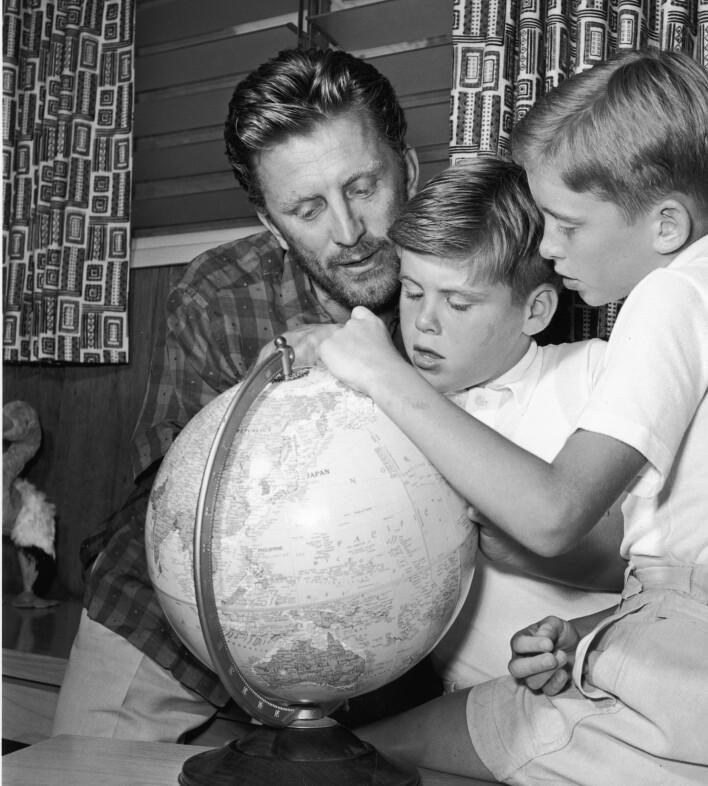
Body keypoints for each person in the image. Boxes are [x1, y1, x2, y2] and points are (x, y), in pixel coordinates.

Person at [318, 49, 708, 785]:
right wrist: (591, 629)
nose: (546, 246)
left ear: (665, 223)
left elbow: (552, 515)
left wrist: (382, 372)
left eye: (567, 225)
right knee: (411, 741)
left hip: (705, 700)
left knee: (349, 759)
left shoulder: (676, 298)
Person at [52, 47, 427, 744]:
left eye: (365, 186)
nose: (347, 233)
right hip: (173, 623)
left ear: (408, 165)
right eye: (307, 208)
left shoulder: (483, 278)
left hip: (390, 629)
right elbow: (167, 505)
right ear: (269, 221)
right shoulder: (217, 295)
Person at [387, 157, 623, 692]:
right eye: (412, 290)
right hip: (462, 707)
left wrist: (528, 554)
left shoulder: (597, 374)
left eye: (459, 302)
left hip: (608, 684)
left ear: (535, 312)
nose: (424, 321)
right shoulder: (386, 412)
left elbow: (660, 563)